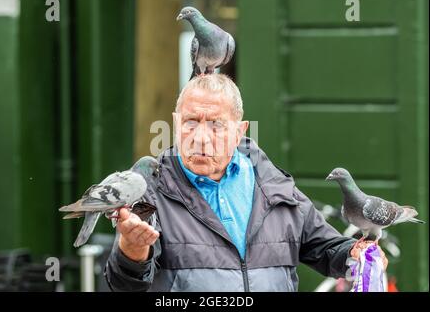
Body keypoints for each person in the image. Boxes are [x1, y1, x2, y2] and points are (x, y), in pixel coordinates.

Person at [104, 74, 387, 291]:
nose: (201, 137)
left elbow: (326, 248)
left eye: (216, 124)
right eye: (191, 122)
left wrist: (355, 253)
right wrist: (132, 252)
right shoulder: (151, 192)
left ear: (240, 131)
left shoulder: (274, 185)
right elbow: (123, 285)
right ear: (176, 123)